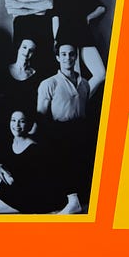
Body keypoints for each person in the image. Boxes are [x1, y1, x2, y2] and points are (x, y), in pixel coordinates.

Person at [37, 43, 91, 213]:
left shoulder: (85, 84)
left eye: (71, 54)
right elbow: (41, 114)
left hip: (81, 130)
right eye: (64, 54)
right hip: (58, 130)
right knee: (60, 162)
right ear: (57, 57)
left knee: (82, 164)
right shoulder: (48, 83)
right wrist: (51, 136)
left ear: (75, 57)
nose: (68, 58)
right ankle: (69, 202)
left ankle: (78, 202)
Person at [52, 0, 106, 96]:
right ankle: (74, 110)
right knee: (73, 81)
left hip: (84, 36)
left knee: (101, 73)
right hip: (66, 37)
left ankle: (80, 103)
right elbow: (55, 17)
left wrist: (88, 17)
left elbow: (101, 8)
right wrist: (56, 40)